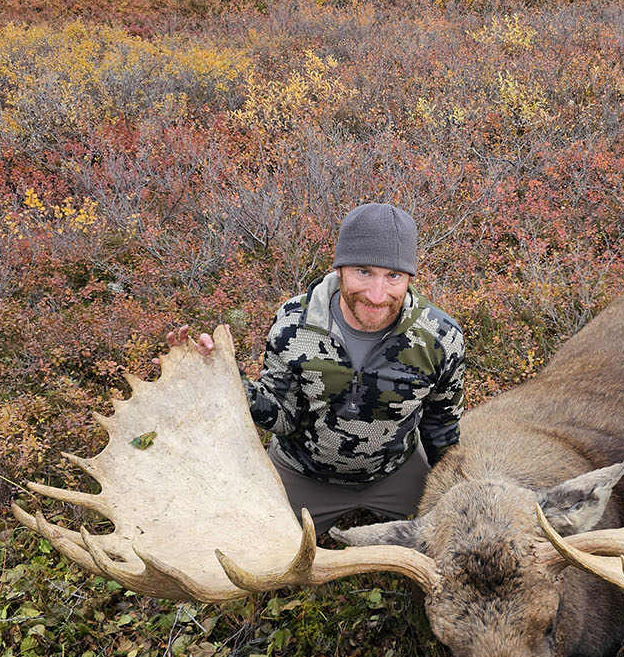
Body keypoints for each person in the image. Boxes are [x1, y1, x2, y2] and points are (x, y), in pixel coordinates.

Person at [168, 203, 464, 534]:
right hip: (303, 474)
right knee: (255, 550)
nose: (378, 296)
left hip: (397, 473)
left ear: (409, 277)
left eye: (393, 276)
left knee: (449, 546)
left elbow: (441, 426)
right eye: (363, 272)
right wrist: (220, 377)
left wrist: (456, 490)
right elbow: (282, 415)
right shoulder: (294, 323)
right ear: (339, 269)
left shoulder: (439, 336)